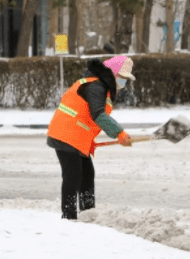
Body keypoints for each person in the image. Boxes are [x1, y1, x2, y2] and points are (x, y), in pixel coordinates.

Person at [47, 55, 136, 220]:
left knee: (87, 174)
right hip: (65, 134)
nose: (123, 82)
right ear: (113, 73)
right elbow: (98, 115)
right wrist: (119, 133)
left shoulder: (101, 87)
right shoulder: (96, 85)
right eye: (122, 78)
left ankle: (88, 214)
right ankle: (69, 217)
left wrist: (89, 142)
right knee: (73, 175)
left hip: (75, 136)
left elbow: (86, 117)